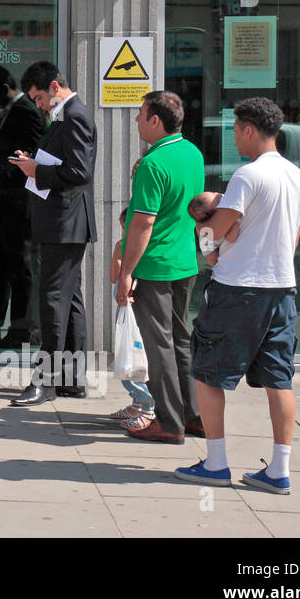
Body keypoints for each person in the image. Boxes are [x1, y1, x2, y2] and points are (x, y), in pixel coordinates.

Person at [175, 97, 300, 495]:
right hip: (282, 289)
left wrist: (206, 247)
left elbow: (213, 231)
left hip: (238, 288)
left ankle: (216, 463)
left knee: (208, 372)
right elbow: (293, 240)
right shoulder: (299, 179)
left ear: (250, 130)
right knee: (280, 380)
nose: (234, 137)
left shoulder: (248, 176)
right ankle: (279, 470)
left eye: (235, 130)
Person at [114, 91, 206, 444]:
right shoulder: (192, 153)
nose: (136, 120)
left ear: (155, 120)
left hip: (155, 265)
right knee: (181, 341)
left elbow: (142, 224)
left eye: (140, 114)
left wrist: (125, 273)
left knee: (159, 346)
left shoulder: (153, 164)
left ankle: (169, 423)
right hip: (185, 261)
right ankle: (193, 416)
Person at [9, 61, 96, 406]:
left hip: (66, 223)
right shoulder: (66, 114)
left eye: (40, 97)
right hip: (63, 222)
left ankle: (44, 381)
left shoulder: (75, 115)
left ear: (55, 87)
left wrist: (36, 170)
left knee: (53, 300)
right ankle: (72, 380)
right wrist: (35, 164)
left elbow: (78, 171)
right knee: (69, 300)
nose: (39, 105)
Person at [0, 64, 46, 349]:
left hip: (17, 203)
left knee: (18, 266)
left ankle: (19, 327)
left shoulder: (27, 112)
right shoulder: (11, 111)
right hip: (3, 203)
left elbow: (30, 156)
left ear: (5, 89)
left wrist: (4, 170)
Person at [109, 206, 155, 426]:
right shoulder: (123, 247)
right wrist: (118, 255)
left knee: (135, 358)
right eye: (122, 228)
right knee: (125, 356)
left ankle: (148, 405)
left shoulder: (144, 249)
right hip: (124, 309)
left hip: (135, 308)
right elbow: (113, 277)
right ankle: (138, 402)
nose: (125, 233)